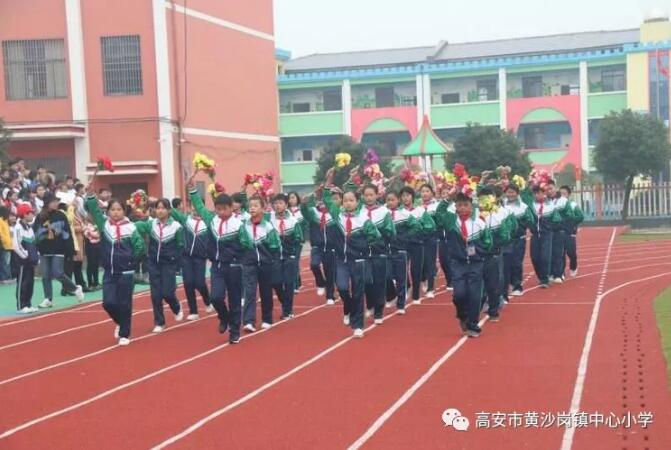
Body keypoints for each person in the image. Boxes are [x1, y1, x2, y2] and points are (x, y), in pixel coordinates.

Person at [187, 176, 253, 345]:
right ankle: (224, 317)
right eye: (218, 209)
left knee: (235, 300)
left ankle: (234, 332)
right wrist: (193, 189)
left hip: (234, 267)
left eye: (225, 209)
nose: (221, 212)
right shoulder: (212, 220)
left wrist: (238, 256)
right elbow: (200, 207)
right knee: (215, 297)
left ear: (231, 208)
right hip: (216, 266)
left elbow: (248, 244)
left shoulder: (238, 225)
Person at [323, 168, 381, 338]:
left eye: (351, 200)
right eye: (345, 200)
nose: (348, 203)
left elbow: (375, 236)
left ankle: (358, 325)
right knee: (341, 287)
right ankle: (347, 306)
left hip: (358, 261)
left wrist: (365, 248)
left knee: (358, 292)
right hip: (342, 260)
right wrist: (328, 182)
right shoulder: (338, 215)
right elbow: (327, 199)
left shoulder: (363, 219)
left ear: (357, 202)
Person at [86, 188, 145, 345]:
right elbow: (94, 211)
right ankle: (120, 322)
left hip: (126, 271)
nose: (116, 212)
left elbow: (140, 247)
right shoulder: (104, 225)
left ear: (124, 211)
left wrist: (131, 261)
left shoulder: (130, 227)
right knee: (108, 303)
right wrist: (91, 196)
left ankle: (125, 334)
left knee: (125, 304)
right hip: (109, 271)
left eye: (119, 209)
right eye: (113, 209)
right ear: (108, 212)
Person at [436, 192, 491, 338]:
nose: (463, 208)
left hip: (475, 263)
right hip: (458, 263)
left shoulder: (479, 223)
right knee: (459, 295)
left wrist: (479, 251)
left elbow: (487, 242)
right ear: (455, 207)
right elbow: (439, 212)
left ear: (472, 206)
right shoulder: (451, 221)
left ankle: (473, 325)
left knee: (475, 295)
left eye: (466, 205)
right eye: (459, 205)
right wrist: (448, 198)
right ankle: (462, 315)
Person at [134, 199, 185, 333]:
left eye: (163, 208)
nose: (160, 210)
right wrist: (132, 214)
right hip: (153, 263)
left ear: (169, 210)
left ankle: (176, 306)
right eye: (158, 208)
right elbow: (137, 226)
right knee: (156, 294)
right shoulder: (151, 224)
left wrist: (175, 260)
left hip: (168, 264)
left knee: (168, 293)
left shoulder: (176, 227)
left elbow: (180, 245)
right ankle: (159, 322)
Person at [34, 192, 84, 307]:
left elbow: (67, 233)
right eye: (53, 201)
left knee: (58, 272)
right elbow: (36, 233)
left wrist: (70, 250)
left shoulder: (61, 215)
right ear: (47, 203)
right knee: (45, 275)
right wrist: (39, 244)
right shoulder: (39, 217)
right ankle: (48, 299)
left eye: (57, 201)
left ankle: (75, 288)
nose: (56, 203)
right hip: (44, 250)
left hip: (58, 249)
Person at [170, 196, 214, 320]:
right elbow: (172, 211)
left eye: (197, 206)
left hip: (200, 257)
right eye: (192, 206)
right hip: (186, 257)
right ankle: (193, 311)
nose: (194, 209)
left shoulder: (208, 222)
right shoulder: (185, 220)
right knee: (188, 283)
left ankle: (207, 301)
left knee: (200, 283)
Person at [384, 190, 426, 314]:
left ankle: (401, 305)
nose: (390, 202)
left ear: (398, 200)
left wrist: (405, 237)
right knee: (387, 275)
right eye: (388, 200)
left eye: (393, 200)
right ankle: (392, 295)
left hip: (401, 249)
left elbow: (417, 226)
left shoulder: (405, 214)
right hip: (386, 250)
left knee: (401, 276)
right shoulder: (382, 213)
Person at [242, 195, 280, 332]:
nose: (252, 208)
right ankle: (248, 321)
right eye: (250, 206)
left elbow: (275, 245)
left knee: (266, 292)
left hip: (265, 264)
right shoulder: (244, 225)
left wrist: (271, 260)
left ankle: (267, 319)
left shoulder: (268, 226)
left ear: (262, 208)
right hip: (249, 264)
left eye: (255, 206)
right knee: (250, 292)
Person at [477, 187, 513, 322]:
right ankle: (477, 308)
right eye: (482, 198)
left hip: (493, 254)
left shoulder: (499, 214)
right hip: (477, 255)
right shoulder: (473, 214)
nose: (485, 201)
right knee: (477, 283)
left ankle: (493, 311)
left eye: (488, 197)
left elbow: (506, 235)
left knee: (493, 284)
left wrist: (493, 245)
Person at [361, 184, 394, 324]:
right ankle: (370, 304)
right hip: (363, 252)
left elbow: (390, 232)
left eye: (371, 195)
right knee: (366, 280)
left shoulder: (384, 212)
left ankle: (379, 312)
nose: (369, 198)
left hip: (379, 251)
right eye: (366, 195)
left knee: (379, 281)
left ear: (377, 195)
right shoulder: (359, 211)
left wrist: (381, 244)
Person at [301, 188, 340, 305]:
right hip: (317, 246)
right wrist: (304, 204)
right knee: (314, 265)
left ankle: (330, 296)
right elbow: (305, 212)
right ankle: (320, 282)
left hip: (331, 247)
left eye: (324, 200)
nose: (322, 203)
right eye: (320, 200)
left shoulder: (334, 213)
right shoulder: (313, 212)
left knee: (330, 272)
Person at [268, 193, 303, 319]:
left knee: (289, 283)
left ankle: (287, 310)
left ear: (286, 204)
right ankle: (286, 304)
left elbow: (299, 239)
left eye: (280, 203)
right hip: (275, 256)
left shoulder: (293, 221)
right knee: (275, 282)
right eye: (275, 203)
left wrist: (294, 256)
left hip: (289, 256)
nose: (277, 206)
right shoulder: (269, 218)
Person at [400, 186, 436, 304]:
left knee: (416, 270)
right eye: (403, 196)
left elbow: (430, 226)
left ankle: (416, 296)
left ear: (412, 197)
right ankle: (407, 287)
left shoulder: (420, 211)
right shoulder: (398, 212)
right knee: (402, 268)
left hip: (417, 244)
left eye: (408, 195)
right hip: (403, 245)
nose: (405, 198)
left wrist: (420, 235)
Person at [522, 185, 561, 288]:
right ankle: (541, 276)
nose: (537, 195)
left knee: (545, 257)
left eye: (539, 193)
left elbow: (557, 220)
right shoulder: (530, 206)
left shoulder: (551, 206)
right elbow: (527, 218)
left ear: (544, 193)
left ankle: (544, 279)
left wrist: (548, 226)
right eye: (535, 193)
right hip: (535, 235)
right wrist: (531, 226)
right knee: (534, 257)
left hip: (547, 235)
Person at [503, 183, 533, 297]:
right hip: (505, 240)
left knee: (517, 262)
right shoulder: (501, 205)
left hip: (519, 239)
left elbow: (530, 221)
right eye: (508, 192)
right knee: (506, 263)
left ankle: (517, 286)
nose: (510, 194)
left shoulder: (523, 207)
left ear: (517, 193)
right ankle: (507, 285)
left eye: (512, 192)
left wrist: (518, 227)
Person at [12, 204, 39, 313]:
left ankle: (28, 303)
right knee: (22, 282)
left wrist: (36, 255)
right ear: (24, 215)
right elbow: (16, 245)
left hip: (30, 260)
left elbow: (34, 243)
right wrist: (25, 255)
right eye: (31, 213)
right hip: (22, 261)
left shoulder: (29, 228)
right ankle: (21, 305)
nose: (33, 215)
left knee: (29, 282)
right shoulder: (18, 228)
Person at [547, 181, 574, 284]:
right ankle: (550, 273)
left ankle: (558, 274)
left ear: (555, 188)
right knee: (547, 253)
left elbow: (570, 215)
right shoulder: (543, 201)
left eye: (551, 188)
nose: (549, 191)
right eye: (547, 189)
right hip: (547, 231)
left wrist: (561, 225)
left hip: (559, 231)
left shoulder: (563, 201)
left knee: (558, 253)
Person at [417, 184, 440, 298]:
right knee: (421, 262)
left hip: (431, 237)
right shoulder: (417, 207)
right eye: (422, 191)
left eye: (427, 191)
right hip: (418, 238)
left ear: (432, 193)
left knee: (430, 262)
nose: (424, 193)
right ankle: (423, 278)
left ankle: (430, 288)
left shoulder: (436, 206)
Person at [560, 185, 584, 277]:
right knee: (560, 253)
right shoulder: (556, 204)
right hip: (559, 233)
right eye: (561, 194)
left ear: (568, 194)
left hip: (570, 233)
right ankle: (561, 272)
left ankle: (573, 267)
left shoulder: (573, 205)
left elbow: (580, 216)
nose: (562, 196)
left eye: (564, 193)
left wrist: (571, 222)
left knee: (571, 253)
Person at [287, 191, 305, 293]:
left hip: (298, 241)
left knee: (295, 261)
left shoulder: (301, 211)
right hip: (288, 241)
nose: (291, 200)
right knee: (291, 262)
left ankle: (295, 285)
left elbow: (305, 225)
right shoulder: (286, 212)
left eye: (293, 197)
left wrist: (302, 238)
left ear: (297, 198)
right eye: (289, 198)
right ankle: (297, 281)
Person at [0, 206, 12, 284]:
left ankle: (7, 277)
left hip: (8, 245)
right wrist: (4, 242)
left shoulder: (5, 221)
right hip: (3, 245)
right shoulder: (0, 221)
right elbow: (1, 234)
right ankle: (4, 278)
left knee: (6, 263)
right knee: (4, 262)